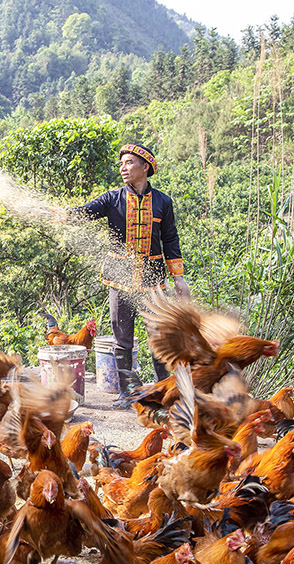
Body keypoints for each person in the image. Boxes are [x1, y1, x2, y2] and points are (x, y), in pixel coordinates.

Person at [71, 143, 189, 398]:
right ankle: (128, 394)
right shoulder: (112, 199)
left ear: (145, 167)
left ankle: (164, 392)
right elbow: (85, 212)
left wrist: (178, 278)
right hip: (121, 279)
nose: (123, 168)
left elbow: (170, 240)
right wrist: (60, 215)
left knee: (158, 338)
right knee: (122, 341)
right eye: (121, 164)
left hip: (153, 281)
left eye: (129, 163)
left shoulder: (163, 202)